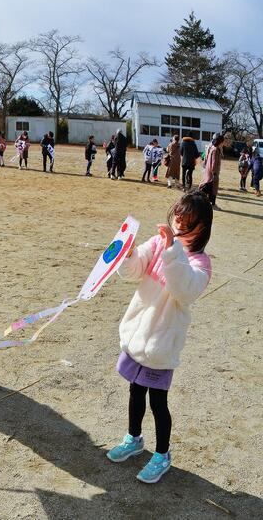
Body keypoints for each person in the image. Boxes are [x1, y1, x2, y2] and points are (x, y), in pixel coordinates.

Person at [106, 190, 213, 484]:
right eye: (178, 217)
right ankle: (134, 438)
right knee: (135, 392)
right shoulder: (157, 243)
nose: (179, 224)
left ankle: (162, 454)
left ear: (201, 227)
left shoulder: (199, 263)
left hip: (161, 345)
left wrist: (172, 250)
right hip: (138, 337)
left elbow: (184, 290)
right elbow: (132, 271)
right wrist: (128, 253)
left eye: (187, 221)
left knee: (158, 402)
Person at [199, 133, 224, 208]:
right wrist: (214, 173)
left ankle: (211, 203)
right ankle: (211, 204)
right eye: (223, 141)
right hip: (212, 173)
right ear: (220, 141)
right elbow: (214, 163)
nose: (223, 143)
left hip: (209, 172)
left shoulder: (213, 148)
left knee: (210, 189)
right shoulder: (215, 150)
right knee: (211, 189)